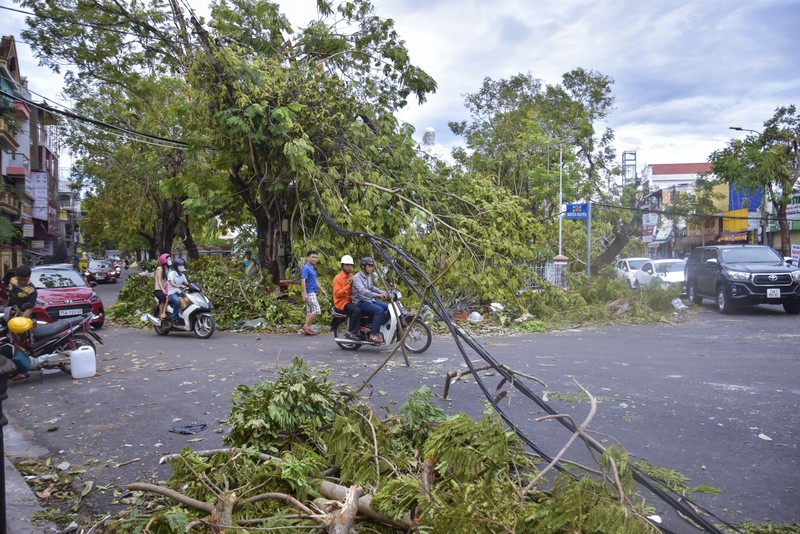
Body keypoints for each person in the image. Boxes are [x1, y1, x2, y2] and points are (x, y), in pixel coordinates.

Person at [350, 257, 389, 343]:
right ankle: (373, 334)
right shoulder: (357, 277)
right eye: (370, 266)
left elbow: (372, 287)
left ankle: (377, 323)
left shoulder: (368, 276)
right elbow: (362, 291)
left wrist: (384, 292)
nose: (372, 268)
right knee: (379, 310)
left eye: (372, 266)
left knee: (388, 307)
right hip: (360, 301)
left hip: (368, 300)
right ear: (363, 266)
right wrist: (377, 295)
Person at [332, 255, 361, 340]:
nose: (349, 267)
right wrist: (348, 286)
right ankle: (351, 332)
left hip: (351, 300)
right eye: (347, 265)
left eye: (350, 265)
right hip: (342, 302)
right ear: (342, 266)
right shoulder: (338, 278)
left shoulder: (351, 276)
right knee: (357, 310)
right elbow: (337, 294)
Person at [300, 250, 328, 336]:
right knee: (316, 309)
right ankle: (306, 326)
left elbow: (315, 280)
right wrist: (304, 293)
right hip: (309, 292)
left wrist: (321, 290)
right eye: (313, 257)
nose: (314, 259)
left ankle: (307, 329)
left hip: (313, 291)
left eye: (316, 257)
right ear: (308, 258)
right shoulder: (306, 268)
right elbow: (303, 280)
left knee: (310, 311)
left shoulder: (312, 268)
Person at [167, 257, 189, 324]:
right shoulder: (171, 274)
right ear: (176, 266)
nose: (182, 267)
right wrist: (180, 286)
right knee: (177, 301)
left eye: (182, 265)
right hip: (171, 293)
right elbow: (172, 283)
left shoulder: (182, 275)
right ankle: (174, 318)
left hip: (179, 292)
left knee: (189, 300)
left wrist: (192, 286)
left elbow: (187, 283)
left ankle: (184, 316)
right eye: (180, 266)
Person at [154, 253, 171, 320]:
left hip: (167, 288)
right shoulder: (159, 269)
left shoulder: (169, 269)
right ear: (164, 260)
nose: (170, 260)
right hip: (159, 289)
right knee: (163, 297)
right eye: (169, 259)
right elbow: (159, 280)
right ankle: (161, 315)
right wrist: (162, 289)